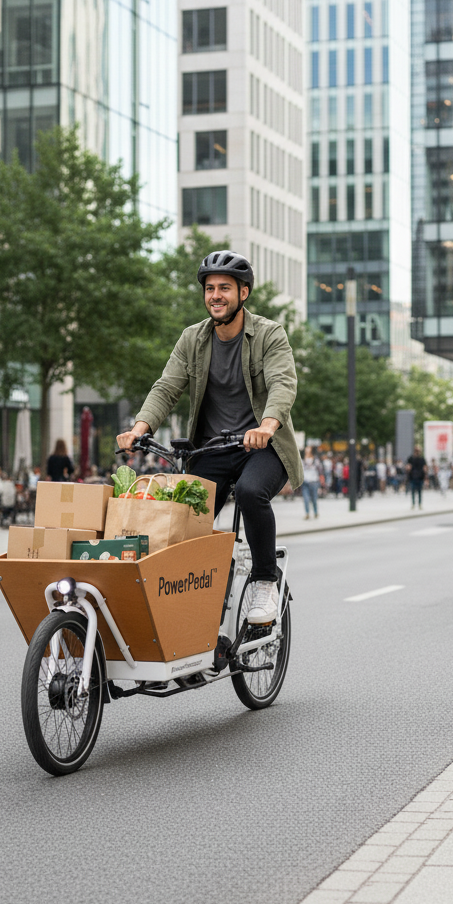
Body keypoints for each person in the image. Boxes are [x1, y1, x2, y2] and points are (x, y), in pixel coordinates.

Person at [116, 250, 302, 625]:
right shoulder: (193, 338)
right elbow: (166, 387)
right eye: (210, 288)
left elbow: (283, 383)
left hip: (261, 447)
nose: (216, 295)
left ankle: (265, 580)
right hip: (212, 448)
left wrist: (267, 426)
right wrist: (140, 427)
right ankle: (188, 593)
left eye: (225, 289)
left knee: (251, 492)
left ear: (243, 293)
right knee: (181, 518)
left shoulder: (269, 334)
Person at [301, 445, 321, 520]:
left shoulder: (315, 460)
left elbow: (319, 469)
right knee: (306, 499)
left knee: (314, 499)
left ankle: (315, 512)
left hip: (314, 481)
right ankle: (307, 513)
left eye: (309, 448)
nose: (307, 449)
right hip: (305, 482)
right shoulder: (302, 460)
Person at [406, 445, 427, 510]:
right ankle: (414, 504)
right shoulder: (411, 459)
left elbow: (425, 468)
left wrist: (425, 477)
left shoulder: (422, 459)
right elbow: (408, 467)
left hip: (420, 477)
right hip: (413, 477)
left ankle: (419, 504)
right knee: (413, 491)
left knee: (419, 491)